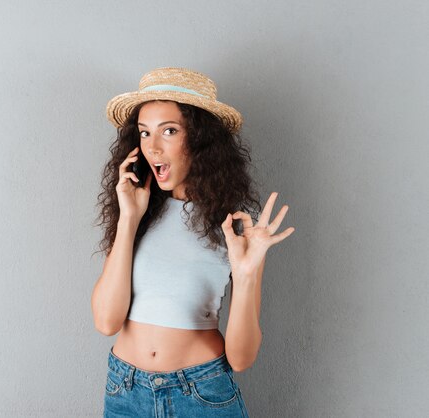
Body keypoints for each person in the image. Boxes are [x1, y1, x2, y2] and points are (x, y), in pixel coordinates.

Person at [91, 67, 295, 417]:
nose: (152, 147)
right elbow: (107, 322)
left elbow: (242, 359)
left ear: (200, 139)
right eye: (144, 133)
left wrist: (246, 276)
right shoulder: (138, 211)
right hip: (126, 392)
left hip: (201, 394)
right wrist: (128, 219)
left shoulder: (235, 224)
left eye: (169, 131)